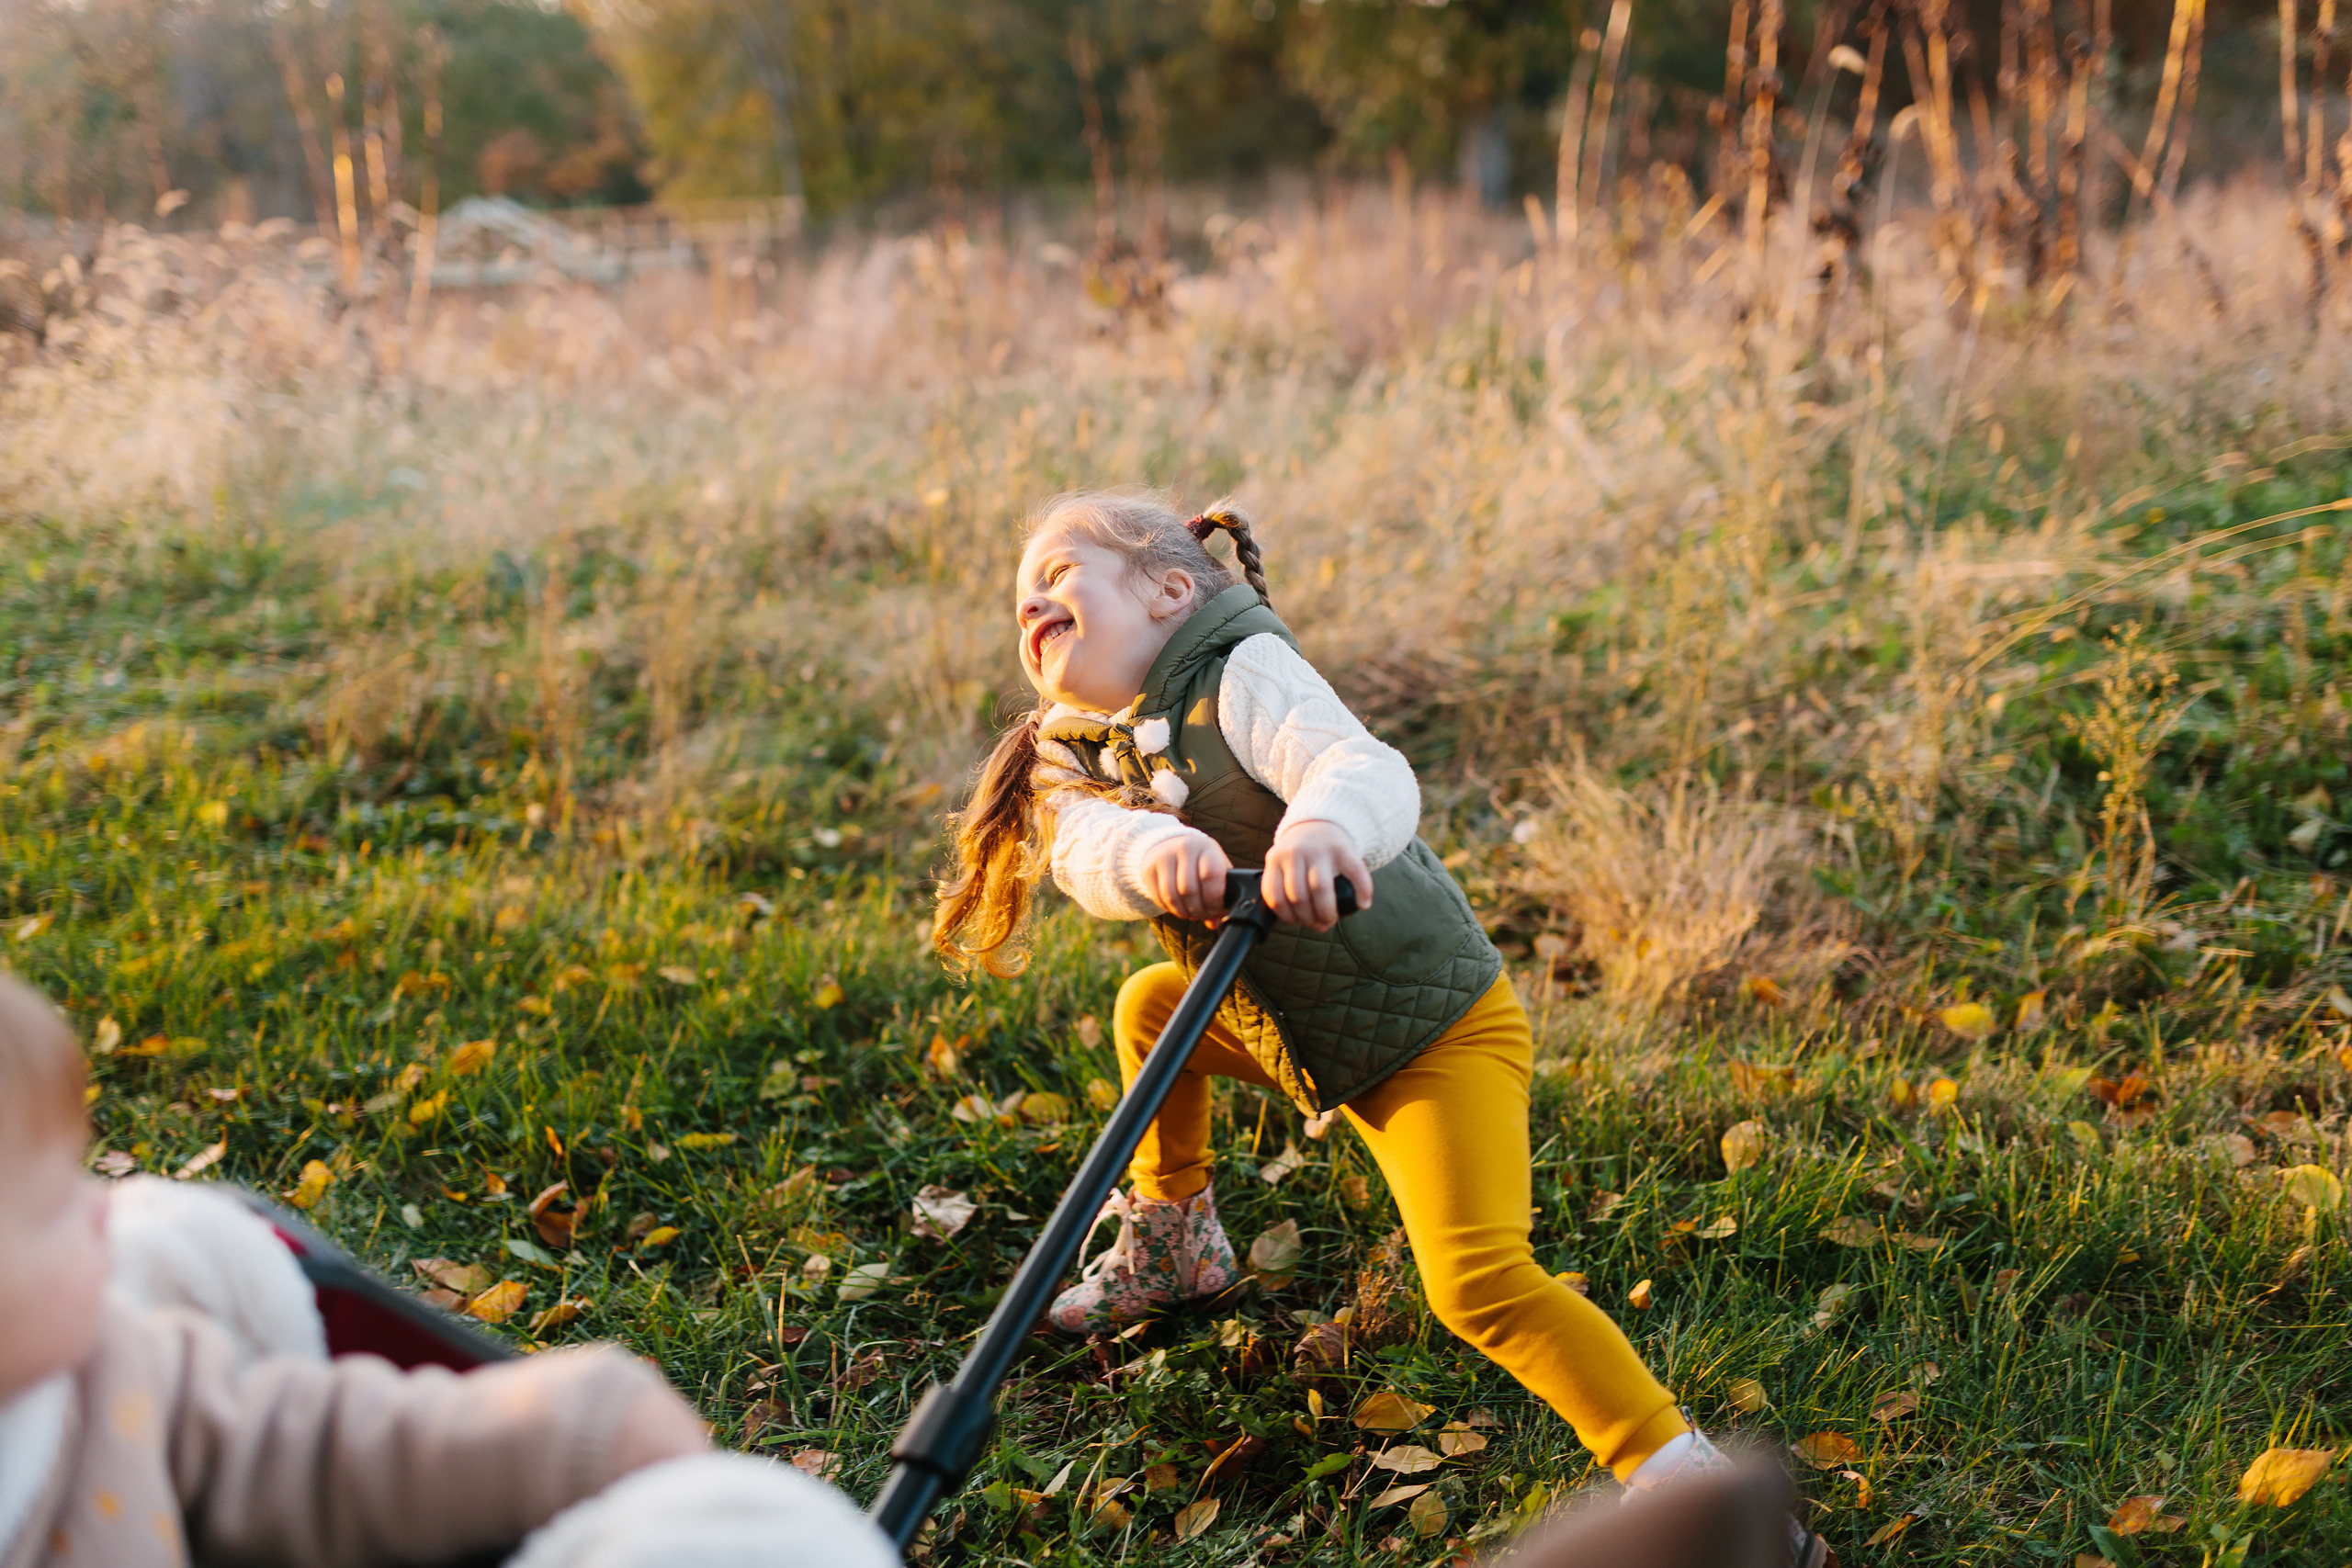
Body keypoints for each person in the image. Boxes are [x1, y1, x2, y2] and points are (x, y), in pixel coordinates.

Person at [932, 491, 1828, 1564]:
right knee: (1149, 1007)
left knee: (1480, 1283)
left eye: (1059, 575)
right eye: (1018, 595)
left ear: (1171, 590)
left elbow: (1363, 770)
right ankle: (1175, 1243)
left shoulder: (1242, 672)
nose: (1032, 599)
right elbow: (1079, 846)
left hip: (1432, 1035)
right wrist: (1143, 855)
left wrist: (1317, 828)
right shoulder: (1076, 748)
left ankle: (1691, 1483)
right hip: (1293, 1024)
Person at [0, 972, 897, 1568]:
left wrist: (560, 1430)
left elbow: (303, 1449)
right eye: (52, 1207)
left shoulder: (105, 1379)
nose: (101, 1206)